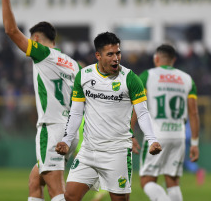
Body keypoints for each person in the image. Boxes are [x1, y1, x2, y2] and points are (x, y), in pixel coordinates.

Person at [1, 0, 81, 201]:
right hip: (70, 131)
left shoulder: (42, 53)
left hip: (52, 128)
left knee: (57, 192)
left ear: (36, 39)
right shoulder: (73, 63)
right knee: (35, 180)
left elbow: (10, 30)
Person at [56, 32, 162, 201]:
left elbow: (142, 113)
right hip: (88, 151)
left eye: (118, 53)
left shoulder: (131, 79)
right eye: (110, 54)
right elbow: (76, 112)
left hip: (117, 151)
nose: (116, 58)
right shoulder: (84, 76)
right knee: (70, 196)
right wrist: (66, 141)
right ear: (98, 55)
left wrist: (152, 139)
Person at [131, 44, 200, 201]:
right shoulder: (187, 79)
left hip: (156, 136)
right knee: (173, 183)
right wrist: (195, 143)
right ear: (173, 60)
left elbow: (136, 105)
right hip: (179, 136)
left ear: (156, 58)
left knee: (147, 181)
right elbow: (194, 113)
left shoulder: (148, 76)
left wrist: (131, 133)